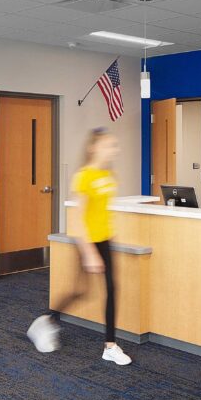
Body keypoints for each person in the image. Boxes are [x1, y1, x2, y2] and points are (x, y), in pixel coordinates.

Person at [26, 127, 131, 366]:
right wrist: (89, 252)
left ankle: (110, 346)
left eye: (114, 146)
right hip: (87, 242)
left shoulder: (109, 176)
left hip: (105, 240)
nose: (114, 150)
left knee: (112, 290)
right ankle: (45, 321)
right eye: (108, 145)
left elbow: (102, 211)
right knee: (81, 291)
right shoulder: (83, 176)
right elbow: (78, 218)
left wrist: (109, 238)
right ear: (93, 147)